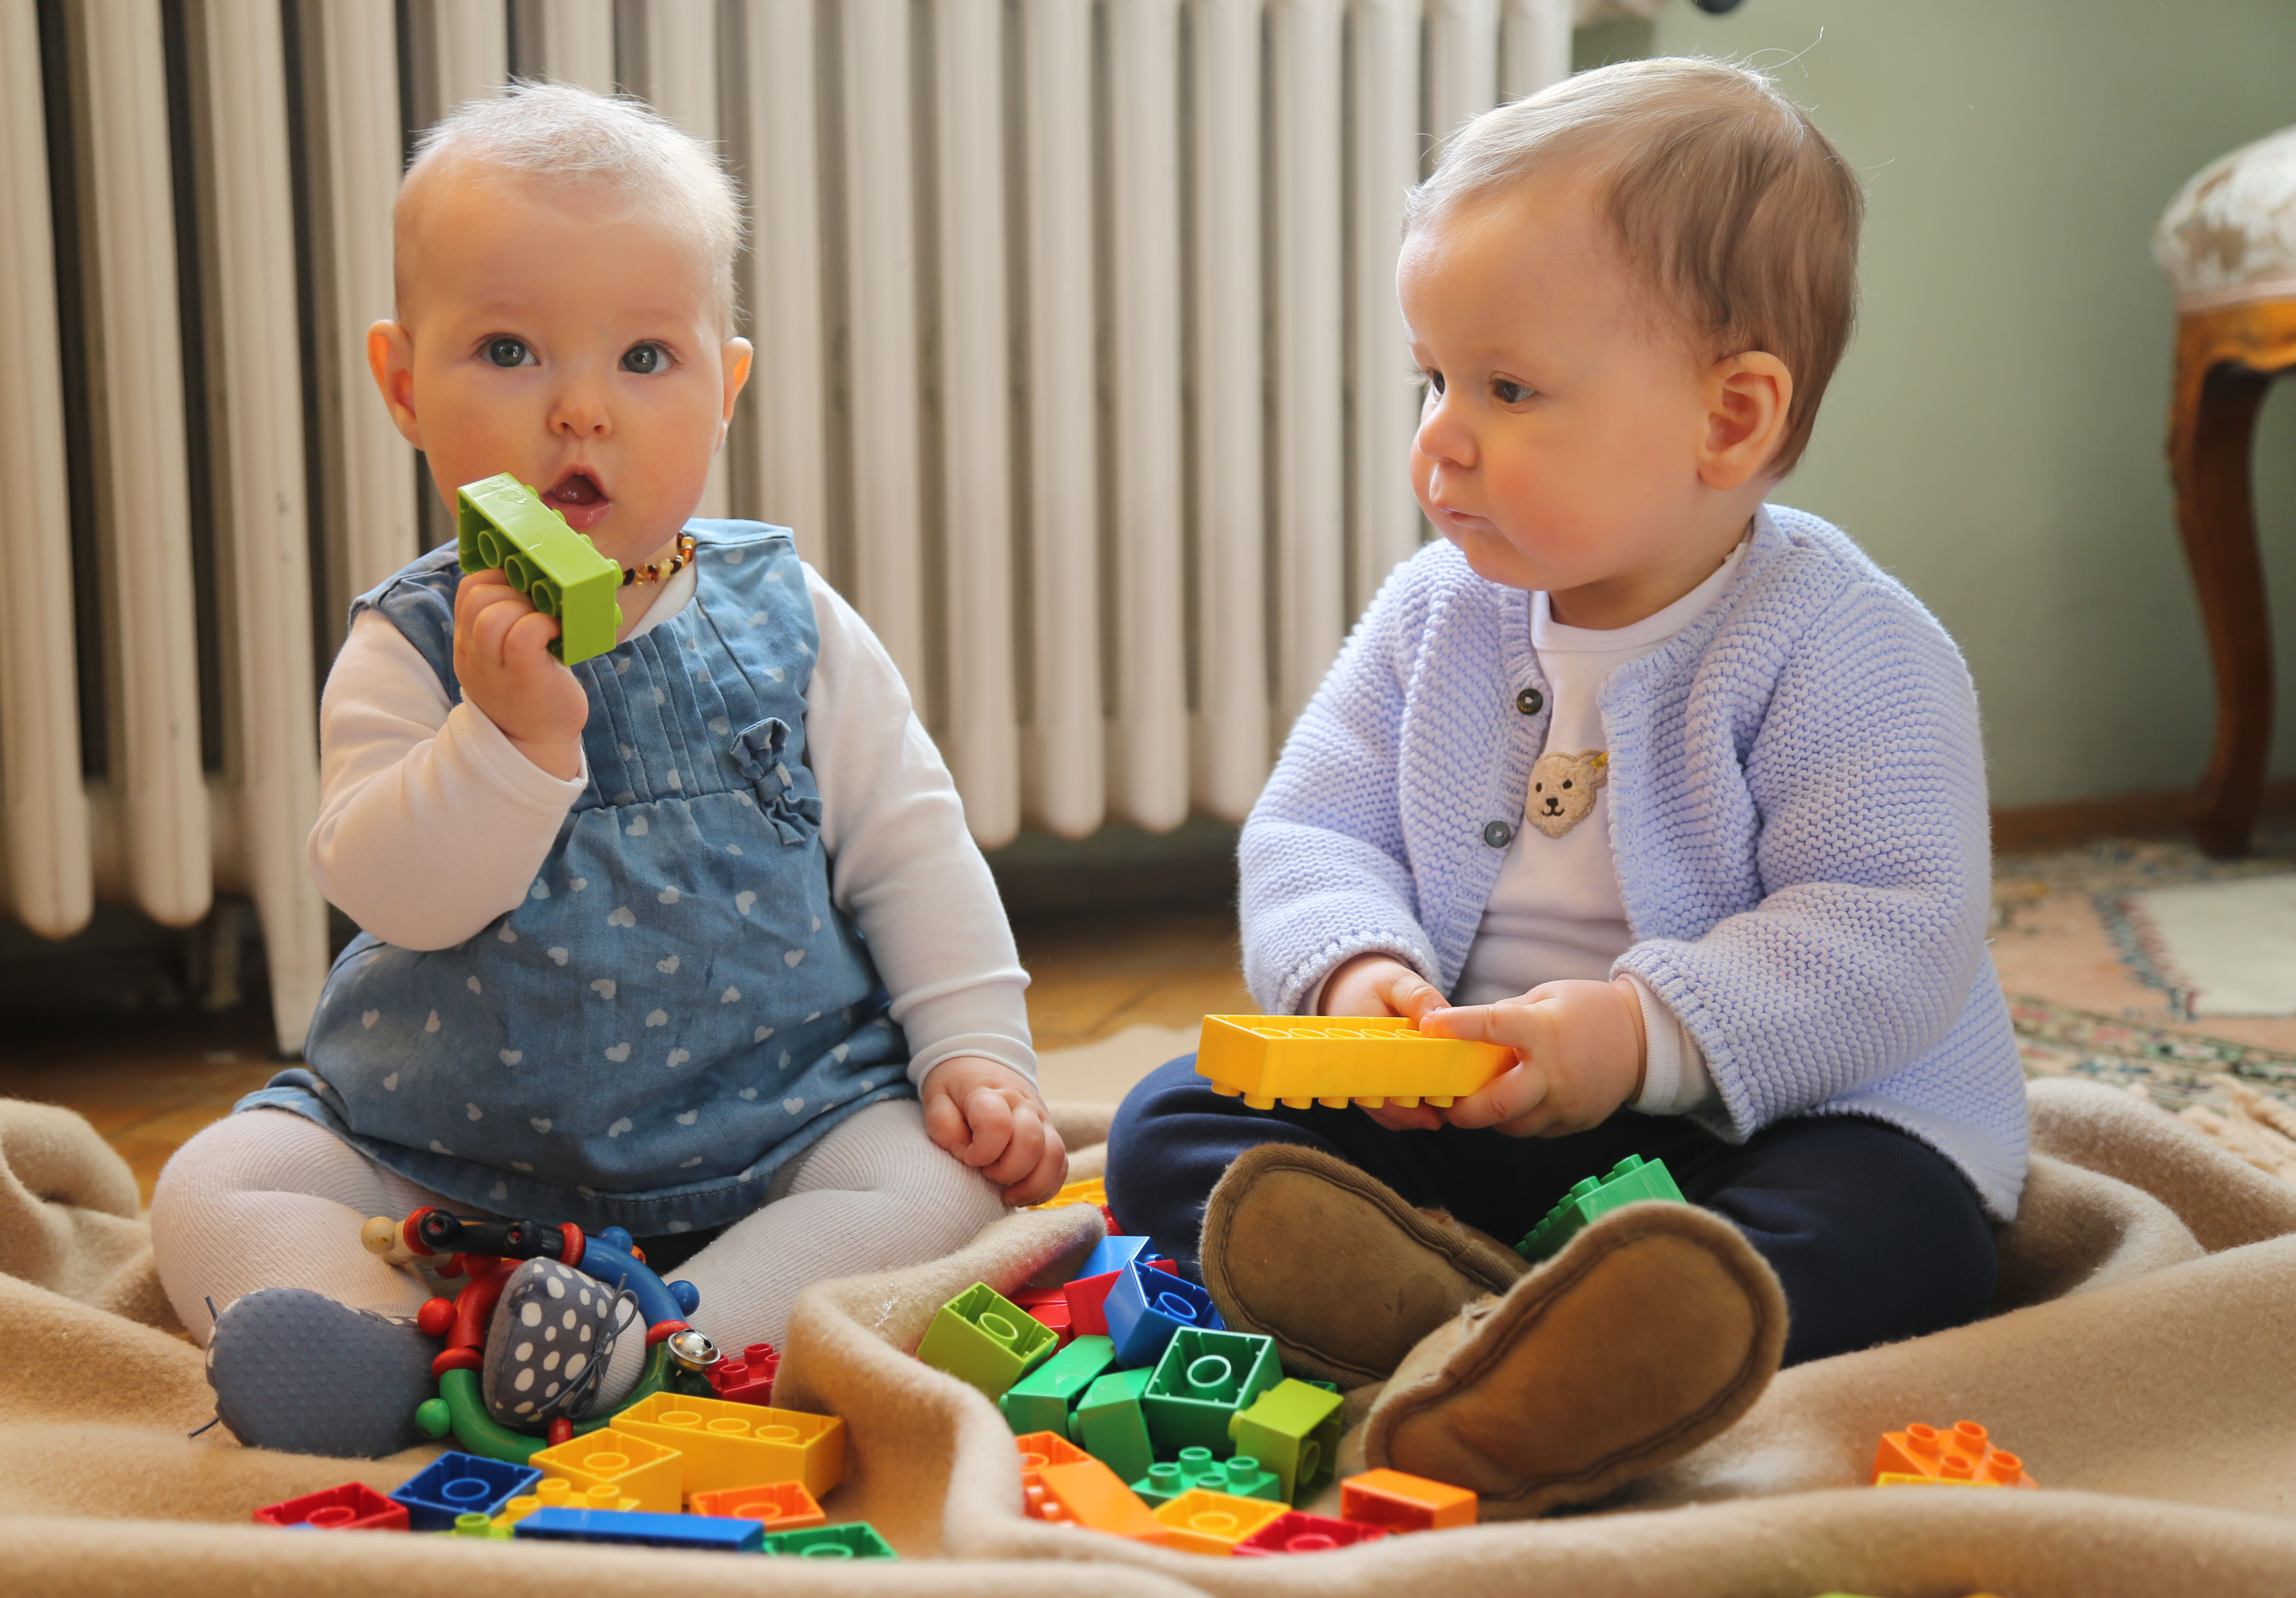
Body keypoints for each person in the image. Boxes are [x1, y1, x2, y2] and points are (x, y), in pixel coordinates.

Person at [1108, 57, 2026, 1518]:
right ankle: (1464, 1319)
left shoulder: (1846, 644)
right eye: (1434, 379)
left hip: (1760, 1131)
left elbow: (1892, 931)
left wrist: (1642, 1035)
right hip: (1469, 1119)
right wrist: (1356, 975)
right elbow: (1316, 825)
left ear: (1731, 419)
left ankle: (1598, 1338)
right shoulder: (1433, 614)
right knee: (1170, 1123)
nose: (1440, 436)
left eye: (1509, 389)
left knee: (1905, 1228)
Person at [149, 82, 1062, 1455]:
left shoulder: (791, 620)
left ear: (724, 390)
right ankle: (379, 1346)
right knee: (222, 1179)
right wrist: (505, 742)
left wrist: (977, 1055)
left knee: (930, 1189)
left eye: (644, 358)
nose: (581, 410)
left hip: (772, 1130)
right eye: (509, 351)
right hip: (438, 1147)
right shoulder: (410, 644)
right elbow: (394, 896)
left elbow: (914, 851)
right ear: (405, 384)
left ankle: (647, 1346)